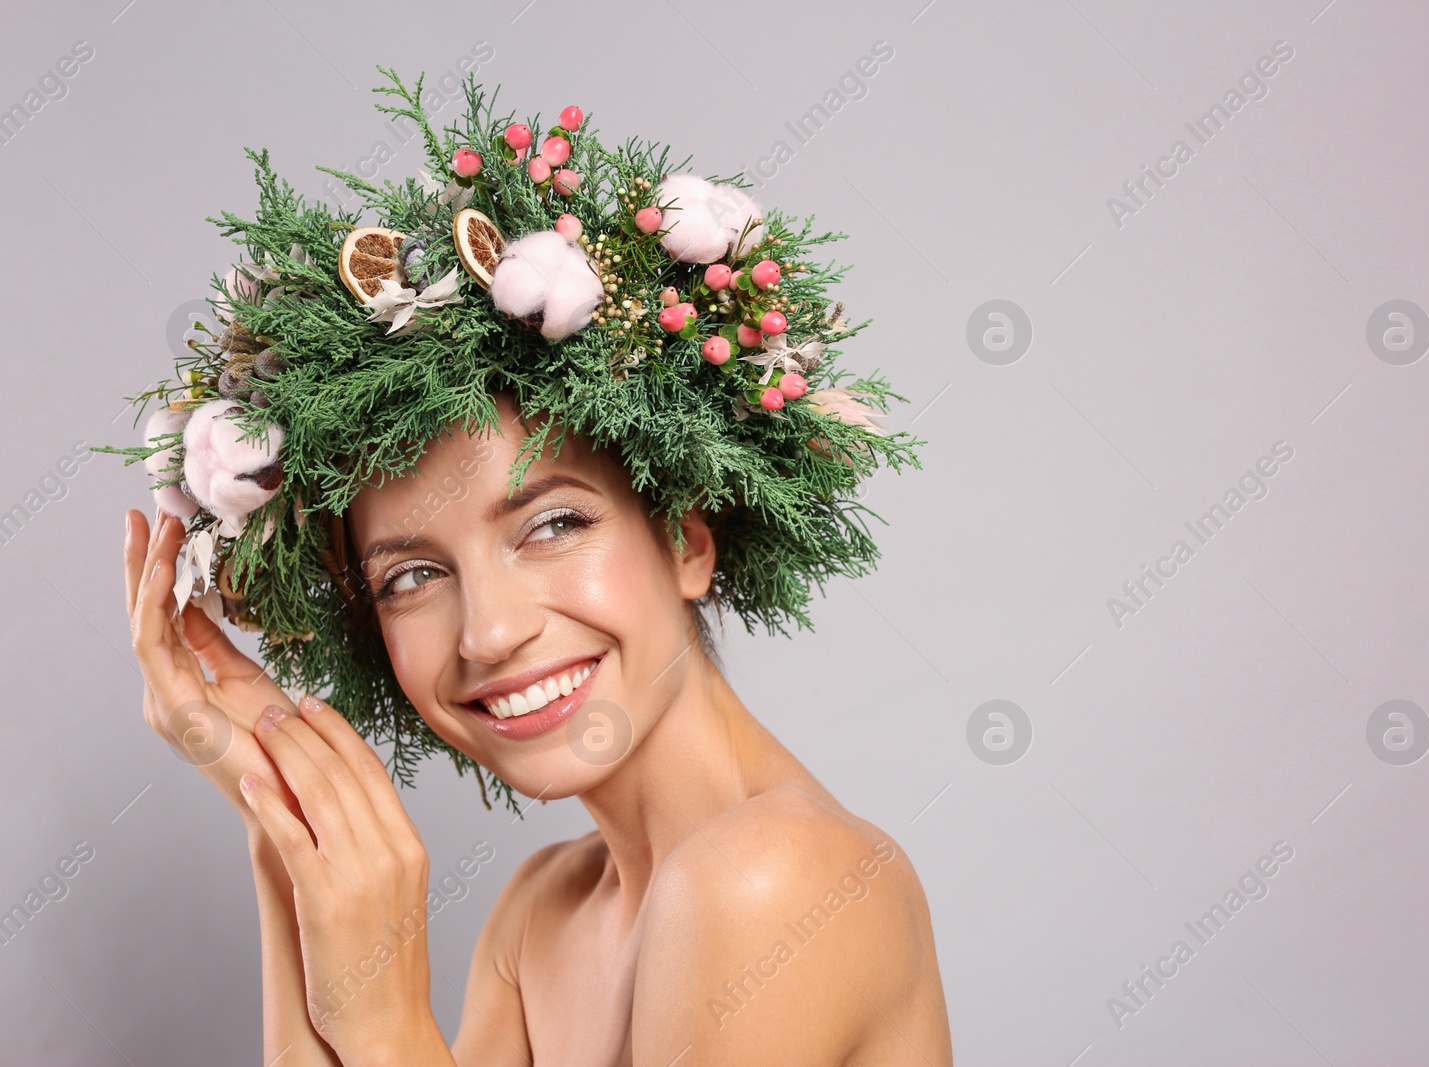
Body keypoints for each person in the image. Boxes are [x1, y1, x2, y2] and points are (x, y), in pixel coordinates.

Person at [108, 68, 946, 1065]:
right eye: (410, 576)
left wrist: (385, 1025)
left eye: (551, 522)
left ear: (684, 534)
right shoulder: (538, 915)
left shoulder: (775, 879)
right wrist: (275, 806)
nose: (490, 630)